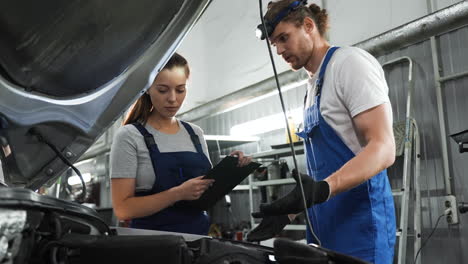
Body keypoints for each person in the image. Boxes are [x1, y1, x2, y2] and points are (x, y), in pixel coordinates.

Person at [247, 1, 396, 263]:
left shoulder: (349, 64)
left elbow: (383, 149)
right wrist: (291, 211)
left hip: (361, 229)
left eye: (284, 38)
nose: (280, 50)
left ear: (308, 26)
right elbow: (321, 173)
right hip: (324, 229)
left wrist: (323, 190)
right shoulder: (312, 85)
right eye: (275, 44)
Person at [110, 53, 251, 235]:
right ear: (147, 88)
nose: (172, 99)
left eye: (180, 89)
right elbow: (123, 210)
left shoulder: (195, 133)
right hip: (151, 246)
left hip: (197, 241)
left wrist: (229, 169)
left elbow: (204, 192)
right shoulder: (130, 135)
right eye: (162, 90)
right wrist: (177, 193)